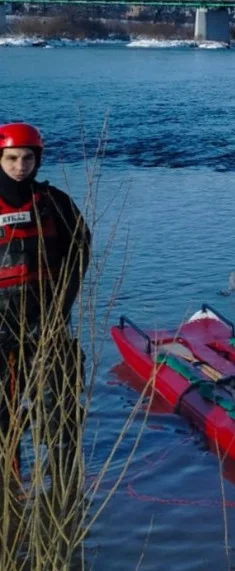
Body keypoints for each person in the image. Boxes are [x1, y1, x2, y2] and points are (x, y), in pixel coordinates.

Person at [0, 121, 91, 484]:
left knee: (61, 404)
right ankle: (10, 484)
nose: (20, 165)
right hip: (2, 326)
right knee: (4, 409)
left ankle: (64, 483)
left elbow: (80, 252)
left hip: (49, 318)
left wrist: (60, 308)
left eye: (27, 158)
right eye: (11, 158)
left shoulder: (54, 203)